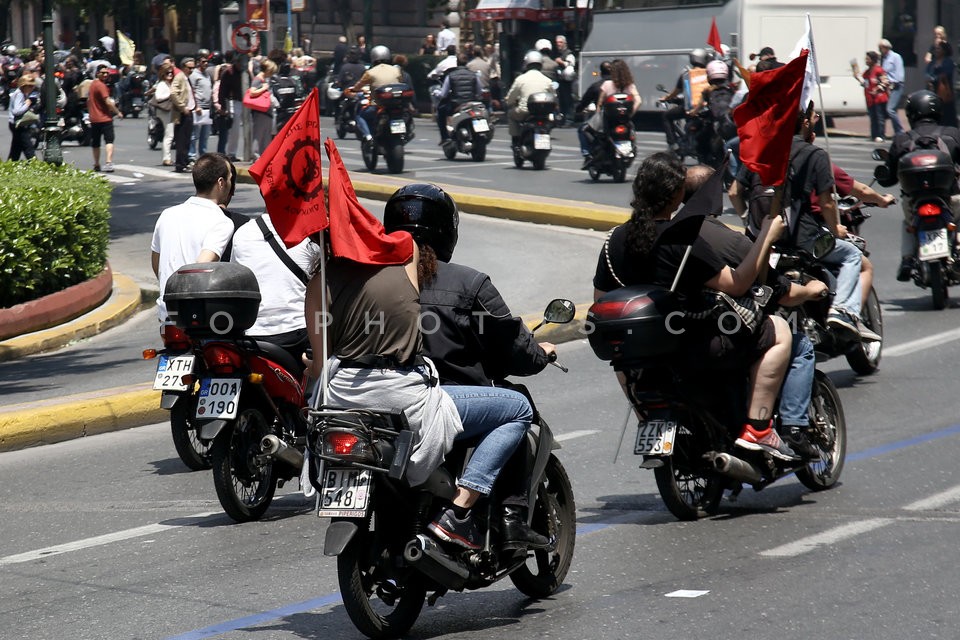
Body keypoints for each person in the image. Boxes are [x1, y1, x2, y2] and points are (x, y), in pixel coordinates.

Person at [594, 153, 799, 461]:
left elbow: (601, 297)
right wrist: (766, 237)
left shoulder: (614, 239)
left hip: (644, 355)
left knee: (625, 364)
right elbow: (739, 283)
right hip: (696, 345)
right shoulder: (681, 239)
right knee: (780, 330)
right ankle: (758, 427)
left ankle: (651, 422)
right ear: (677, 194)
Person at [382, 183, 553, 548]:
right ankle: (503, 521)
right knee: (517, 405)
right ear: (447, 229)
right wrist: (541, 354)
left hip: (375, 403)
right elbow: (513, 348)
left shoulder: (370, 280)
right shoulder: (469, 283)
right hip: (441, 405)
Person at [684, 165, 828, 456]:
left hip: (682, 338)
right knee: (795, 343)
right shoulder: (728, 240)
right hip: (719, 336)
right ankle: (786, 429)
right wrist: (812, 290)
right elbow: (782, 292)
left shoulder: (665, 233)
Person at [877, 90, 960, 281]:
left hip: (914, 203)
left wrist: (882, 176)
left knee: (907, 223)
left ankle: (907, 259)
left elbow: (889, 177)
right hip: (952, 198)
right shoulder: (953, 134)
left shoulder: (902, 140)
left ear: (911, 113)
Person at [150, 153, 237, 323]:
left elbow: (156, 263)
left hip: (166, 312)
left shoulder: (167, 214)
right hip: (197, 315)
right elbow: (201, 268)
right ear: (221, 182)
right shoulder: (221, 221)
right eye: (230, 178)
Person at [230, 213, 320, 363]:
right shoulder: (310, 234)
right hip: (299, 332)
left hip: (253, 333)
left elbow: (237, 277)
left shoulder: (243, 233)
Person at [578, 58, 641, 166]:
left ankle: (588, 154)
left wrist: (598, 115)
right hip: (624, 120)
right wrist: (629, 114)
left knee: (584, 130)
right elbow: (639, 101)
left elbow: (600, 103)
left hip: (608, 119)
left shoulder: (607, 85)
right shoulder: (630, 86)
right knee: (632, 134)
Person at [349, 45, 402, 142]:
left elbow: (359, 85)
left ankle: (369, 137)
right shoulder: (396, 70)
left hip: (378, 105)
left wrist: (354, 90)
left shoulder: (370, 72)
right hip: (396, 105)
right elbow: (400, 81)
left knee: (360, 116)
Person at [660, 48, 709, 152]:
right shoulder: (709, 73)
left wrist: (667, 98)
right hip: (706, 109)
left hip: (690, 109)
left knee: (666, 116)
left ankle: (673, 143)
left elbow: (676, 92)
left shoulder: (686, 74)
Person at [504, 50, 554, 146]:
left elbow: (511, 97)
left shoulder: (520, 79)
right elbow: (554, 97)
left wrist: (509, 102)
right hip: (544, 113)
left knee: (511, 114)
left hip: (525, 111)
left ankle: (515, 141)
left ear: (526, 64)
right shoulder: (547, 80)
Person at [435, 53, 484, 143]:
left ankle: (444, 137)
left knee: (440, 111)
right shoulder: (474, 75)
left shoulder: (451, 76)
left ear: (457, 63)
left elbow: (444, 94)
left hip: (456, 104)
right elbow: (480, 91)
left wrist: (437, 93)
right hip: (471, 103)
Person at [87, 64, 123, 172]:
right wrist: (117, 112)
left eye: (107, 73)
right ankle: (108, 162)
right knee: (109, 140)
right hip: (105, 118)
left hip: (94, 119)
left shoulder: (93, 84)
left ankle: (96, 164)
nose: (105, 75)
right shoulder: (101, 86)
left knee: (96, 142)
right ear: (97, 73)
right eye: (103, 72)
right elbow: (108, 101)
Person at [854, 51, 889, 143]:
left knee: (879, 117)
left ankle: (881, 135)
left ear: (873, 60)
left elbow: (885, 82)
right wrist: (858, 78)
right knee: (873, 117)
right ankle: (874, 135)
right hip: (870, 99)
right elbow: (865, 84)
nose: (866, 61)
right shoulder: (867, 72)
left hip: (879, 98)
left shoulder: (879, 70)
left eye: (868, 59)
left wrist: (877, 89)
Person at [170, 57, 198, 173]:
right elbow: (173, 92)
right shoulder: (180, 77)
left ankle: (185, 162)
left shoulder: (187, 78)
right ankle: (180, 164)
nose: (191, 70)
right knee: (182, 140)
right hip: (182, 113)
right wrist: (182, 107)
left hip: (190, 112)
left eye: (193, 68)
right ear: (183, 67)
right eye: (189, 68)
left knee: (187, 140)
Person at [148, 60, 176, 166]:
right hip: (164, 111)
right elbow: (159, 97)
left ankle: (167, 157)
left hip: (168, 111)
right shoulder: (162, 84)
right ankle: (166, 158)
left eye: (171, 73)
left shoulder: (167, 83)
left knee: (169, 135)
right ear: (162, 74)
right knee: (169, 135)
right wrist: (170, 94)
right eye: (167, 73)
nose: (170, 75)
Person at [218, 50, 245, 161]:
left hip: (246, 102)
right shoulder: (228, 72)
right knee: (234, 129)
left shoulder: (246, 71)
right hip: (234, 102)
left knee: (250, 128)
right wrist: (223, 106)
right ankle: (231, 153)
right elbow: (222, 90)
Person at [247, 58, 277, 159]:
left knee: (266, 136)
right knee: (258, 135)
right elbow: (252, 92)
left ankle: (264, 157)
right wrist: (264, 88)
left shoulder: (264, 79)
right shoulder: (258, 79)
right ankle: (256, 156)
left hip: (266, 112)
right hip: (260, 112)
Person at [878, 39, 905, 137]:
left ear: (886, 47)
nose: (880, 50)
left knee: (890, 109)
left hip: (896, 85)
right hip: (886, 86)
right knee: (890, 110)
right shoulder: (883, 58)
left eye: (881, 48)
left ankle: (900, 131)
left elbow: (899, 73)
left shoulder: (895, 57)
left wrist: (894, 83)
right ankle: (894, 132)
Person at [7, 75, 38, 161]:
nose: (32, 88)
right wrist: (27, 104)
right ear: (24, 86)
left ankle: (11, 164)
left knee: (16, 148)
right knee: (28, 146)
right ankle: (34, 164)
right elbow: (16, 111)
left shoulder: (21, 93)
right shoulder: (19, 94)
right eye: (30, 86)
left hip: (15, 124)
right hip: (18, 124)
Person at [926, 41, 957, 127]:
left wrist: (935, 77)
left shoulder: (948, 62)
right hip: (932, 90)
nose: (936, 51)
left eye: (938, 49)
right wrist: (930, 79)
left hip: (944, 91)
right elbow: (927, 73)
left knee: (947, 113)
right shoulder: (932, 62)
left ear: (944, 50)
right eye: (935, 49)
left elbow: (946, 73)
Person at [189, 55, 213, 159]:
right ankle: (192, 156)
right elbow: (192, 91)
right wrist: (196, 106)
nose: (206, 63)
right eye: (203, 61)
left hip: (207, 109)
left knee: (205, 135)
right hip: (199, 108)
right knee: (195, 135)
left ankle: (203, 156)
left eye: (207, 61)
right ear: (198, 62)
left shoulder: (207, 74)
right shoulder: (194, 75)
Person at [554, 35, 576, 121]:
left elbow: (571, 64)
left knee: (567, 100)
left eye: (560, 42)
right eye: (557, 43)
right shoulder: (557, 54)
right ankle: (562, 117)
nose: (558, 44)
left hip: (567, 82)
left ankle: (569, 118)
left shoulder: (569, 54)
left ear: (565, 43)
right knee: (561, 100)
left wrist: (561, 62)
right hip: (559, 81)